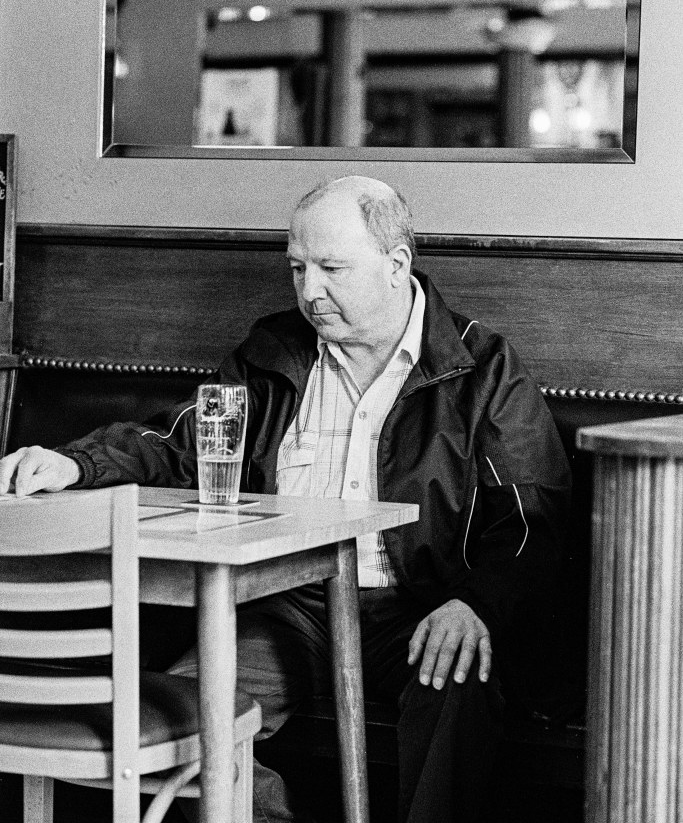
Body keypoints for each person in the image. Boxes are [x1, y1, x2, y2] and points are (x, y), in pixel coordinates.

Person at [0, 176, 571, 822]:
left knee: (461, 681)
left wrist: (476, 603)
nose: (308, 291)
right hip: (282, 603)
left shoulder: (481, 366)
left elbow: (530, 517)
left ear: (396, 265)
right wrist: (73, 464)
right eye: (297, 268)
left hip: (417, 603)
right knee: (185, 718)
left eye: (330, 268)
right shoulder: (272, 349)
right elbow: (179, 442)